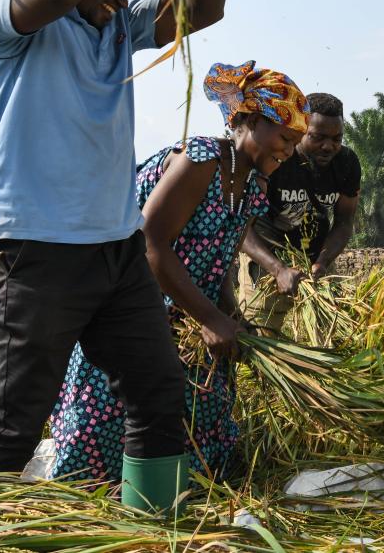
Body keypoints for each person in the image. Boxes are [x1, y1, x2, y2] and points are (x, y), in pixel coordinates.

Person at [0, 0, 228, 512]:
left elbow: (204, 6)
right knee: (15, 420)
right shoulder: (8, 15)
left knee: (159, 391)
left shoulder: (115, 26)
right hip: (35, 251)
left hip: (114, 252)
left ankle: (147, 522)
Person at [50, 62, 309, 486]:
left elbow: (219, 256)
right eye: (284, 137)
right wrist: (209, 318)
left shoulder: (253, 186)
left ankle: (171, 503)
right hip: (134, 308)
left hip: (187, 312)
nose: (288, 151)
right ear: (253, 120)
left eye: (295, 143)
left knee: (195, 431)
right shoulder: (202, 159)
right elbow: (150, 243)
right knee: (110, 431)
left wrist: (229, 313)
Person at [239, 93, 361, 335]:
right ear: (301, 129)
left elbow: (345, 221)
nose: (329, 146)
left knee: (335, 332)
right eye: (318, 137)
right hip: (268, 252)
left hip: (315, 254)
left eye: (337, 139)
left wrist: (323, 263)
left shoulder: (346, 163)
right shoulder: (276, 158)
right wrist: (278, 269)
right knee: (261, 333)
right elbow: (242, 228)